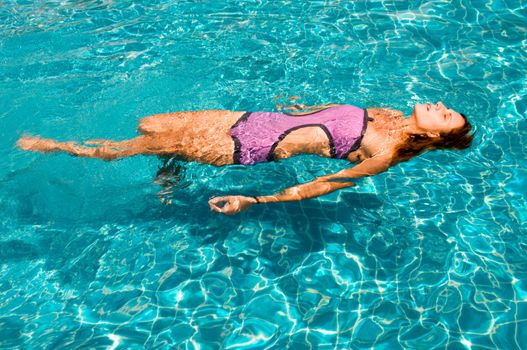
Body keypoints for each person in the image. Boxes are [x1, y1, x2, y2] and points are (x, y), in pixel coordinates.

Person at [17, 102, 474, 215]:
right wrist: (298, 109)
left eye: (447, 115)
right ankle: (173, 171)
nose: (440, 105)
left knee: (125, 148)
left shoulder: (385, 152)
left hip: (243, 146)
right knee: (148, 123)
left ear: (435, 133)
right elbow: (329, 113)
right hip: (248, 117)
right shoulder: (390, 114)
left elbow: (327, 184)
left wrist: (256, 202)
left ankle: (52, 145)